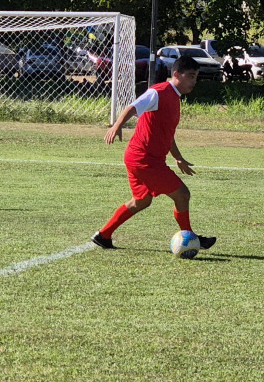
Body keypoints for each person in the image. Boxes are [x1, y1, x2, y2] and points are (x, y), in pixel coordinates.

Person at [92, 55, 216, 251]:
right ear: (177, 74)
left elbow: (167, 134)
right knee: (182, 195)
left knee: (140, 201)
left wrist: (178, 157)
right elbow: (132, 107)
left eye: (196, 77)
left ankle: (103, 235)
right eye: (191, 76)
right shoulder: (159, 92)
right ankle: (192, 239)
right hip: (144, 159)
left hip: (141, 158)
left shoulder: (174, 97)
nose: (194, 81)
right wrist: (116, 126)